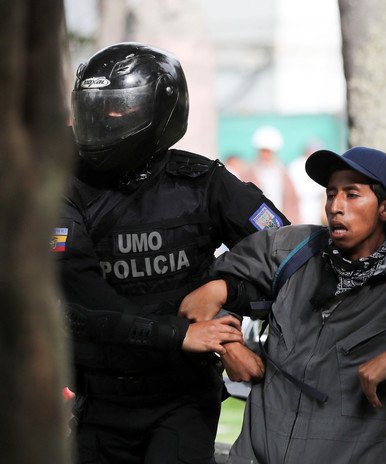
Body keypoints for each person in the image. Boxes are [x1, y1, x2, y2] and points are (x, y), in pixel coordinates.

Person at [178, 146, 386, 463]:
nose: (335, 207)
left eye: (352, 195)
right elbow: (211, 283)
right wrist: (230, 344)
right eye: (331, 194)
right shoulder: (293, 248)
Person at [56, 42, 290, 463]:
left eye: (116, 109)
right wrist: (182, 333)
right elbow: (80, 297)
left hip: (181, 399)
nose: (100, 120)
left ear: (159, 114)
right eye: (94, 108)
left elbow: (285, 253)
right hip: (100, 398)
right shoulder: (66, 188)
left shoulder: (203, 182)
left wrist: (224, 291)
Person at [250, 125, 301, 221]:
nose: (265, 154)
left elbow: (293, 203)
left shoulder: (283, 173)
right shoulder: (250, 173)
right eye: (263, 151)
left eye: (268, 151)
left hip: (281, 223)